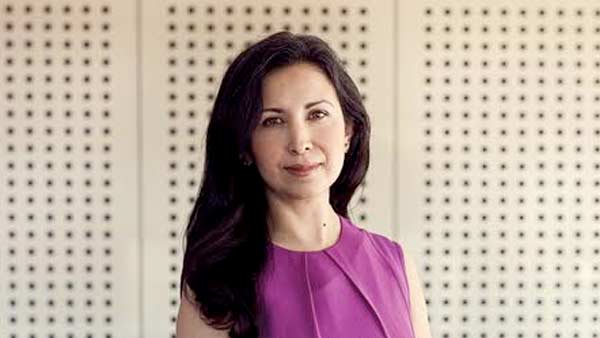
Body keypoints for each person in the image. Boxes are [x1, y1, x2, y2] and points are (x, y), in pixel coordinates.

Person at [176, 31, 432, 338]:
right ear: (244, 146)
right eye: (272, 121)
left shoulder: (396, 264)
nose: (300, 142)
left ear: (349, 130)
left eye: (317, 114)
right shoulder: (216, 283)